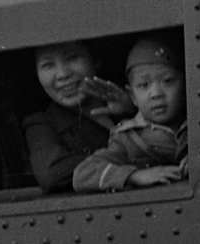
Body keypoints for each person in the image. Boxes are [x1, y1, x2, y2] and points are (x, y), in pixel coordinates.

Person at [73, 33, 187, 193]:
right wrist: (134, 175)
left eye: (168, 81)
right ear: (132, 96)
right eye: (144, 85)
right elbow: (82, 175)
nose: (156, 93)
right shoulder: (126, 138)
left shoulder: (198, 125)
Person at [23, 41, 136, 193]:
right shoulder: (41, 123)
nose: (63, 74)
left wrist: (133, 110)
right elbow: (51, 172)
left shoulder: (132, 104)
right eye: (47, 65)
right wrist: (129, 167)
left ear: (96, 60)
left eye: (72, 58)